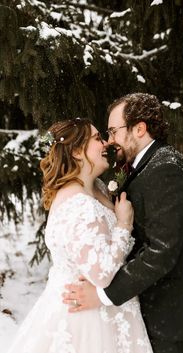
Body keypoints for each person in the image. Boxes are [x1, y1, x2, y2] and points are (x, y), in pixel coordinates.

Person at [63, 94, 183, 353]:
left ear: (139, 129)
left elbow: (161, 252)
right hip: (158, 316)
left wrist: (104, 295)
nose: (110, 140)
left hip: (176, 321)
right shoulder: (145, 165)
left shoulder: (166, 169)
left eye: (114, 131)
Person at [7, 118, 153, 353]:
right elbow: (102, 275)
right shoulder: (77, 203)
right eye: (97, 138)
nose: (106, 143)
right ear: (76, 151)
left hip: (108, 310)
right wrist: (124, 224)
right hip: (85, 318)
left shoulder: (98, 187)